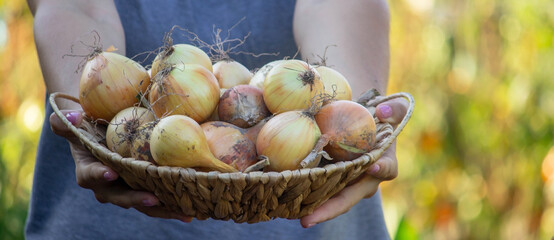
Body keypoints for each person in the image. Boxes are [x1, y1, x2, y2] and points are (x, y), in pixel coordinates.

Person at [25, 0, 409, 239]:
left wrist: (352, 115)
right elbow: (74, 4)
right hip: (105, 224)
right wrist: (89, 120)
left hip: (312, 220)